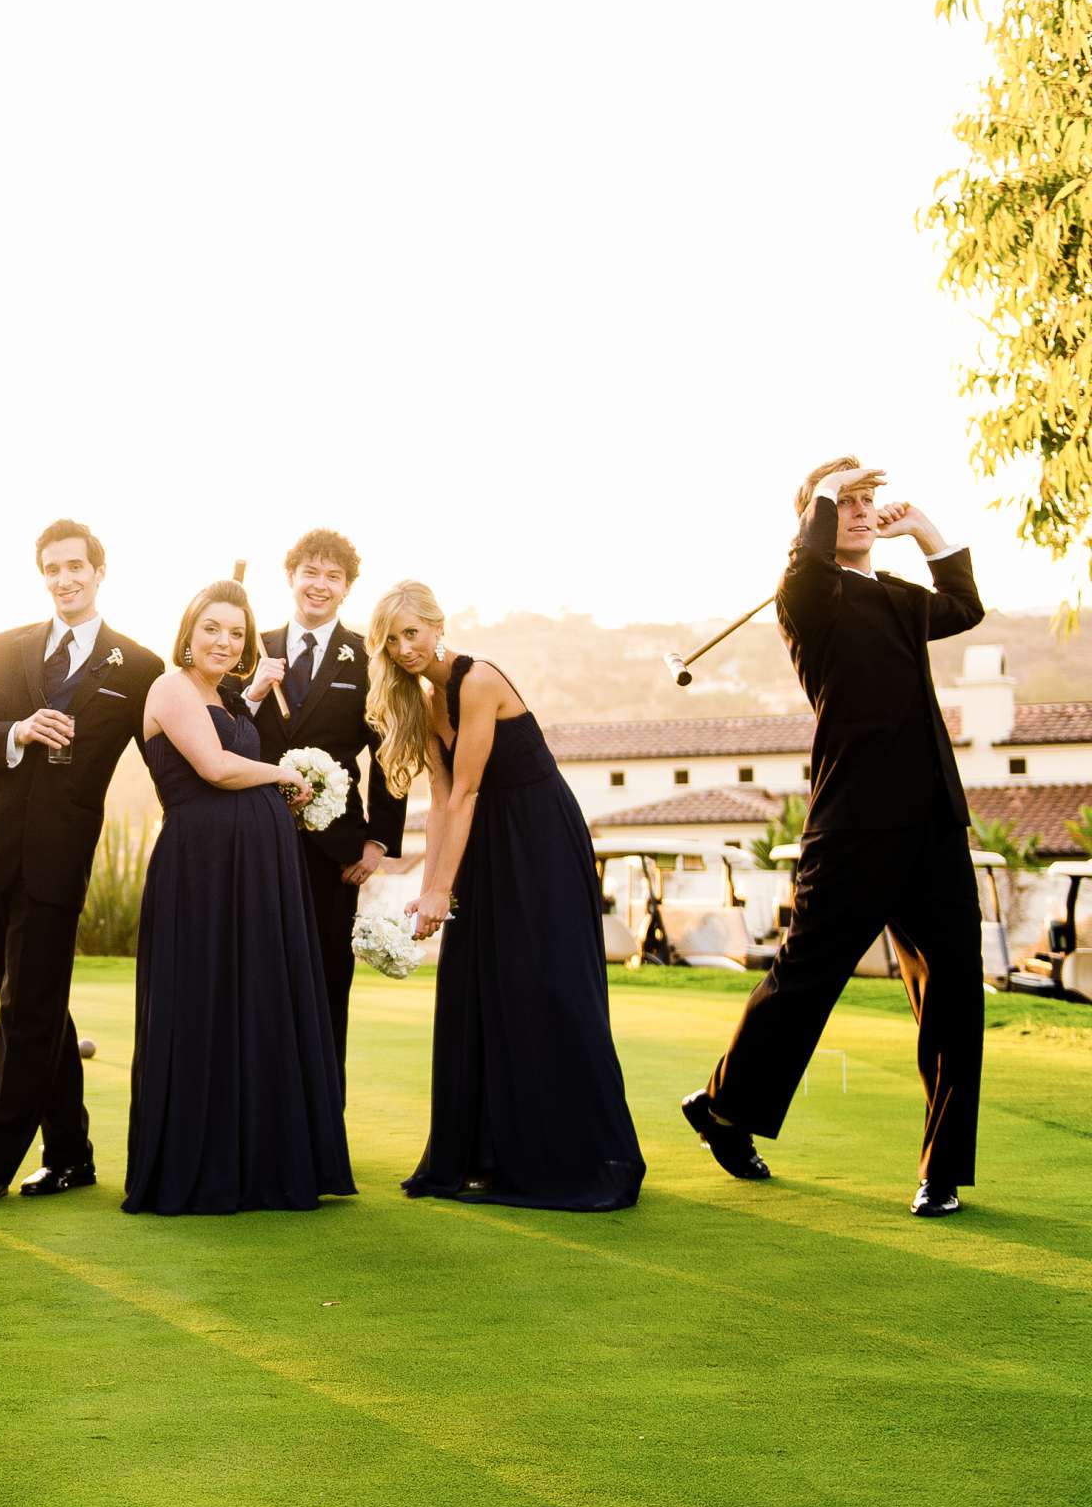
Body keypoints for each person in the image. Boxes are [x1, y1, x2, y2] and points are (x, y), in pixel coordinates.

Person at [683, 459, 985, 1218]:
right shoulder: (804, 594)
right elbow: (809, 560)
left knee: (953, 997)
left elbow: (965, 606)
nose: (858, 512)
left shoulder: (899, 598)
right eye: (843, 504)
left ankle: (940, 1171)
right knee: (806, 979)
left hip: (935, 823)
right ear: (815, 518)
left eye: (866, 502)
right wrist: (822, 493)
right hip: (853, 822)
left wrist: (923, 530)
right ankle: (724, 1108)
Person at [367, 580, 643, 1212]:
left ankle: (589, 1155)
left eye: (413, 632)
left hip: (539, 837)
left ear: (438, 627)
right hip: (486, 843)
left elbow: (466, 791)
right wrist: (429, 888)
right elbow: (439, 804)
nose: (406, 648)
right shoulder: (422, 701)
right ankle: (490, 1154)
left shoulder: (478, 679)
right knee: (479, 984)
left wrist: (441, 889)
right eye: (392, 639)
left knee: (549, 986)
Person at [0, 520, 163, 1208]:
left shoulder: (142, 666)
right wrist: (16, 732)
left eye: (76, 566)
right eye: (52, 568)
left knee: (26, 1008)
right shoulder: (4, 650)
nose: (64, 578)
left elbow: (173, 756)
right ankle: (70, 1154)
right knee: (37, 1006)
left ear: (99, 572)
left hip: (62, 859)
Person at [123, 579, 352, 1215]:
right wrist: (283, 773)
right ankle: (202, 1164)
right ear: (188, 635)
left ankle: (262, 1160)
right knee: (204, 1002)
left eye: (236, 632)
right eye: (212, 630)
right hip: (201, 871)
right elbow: (217, 768)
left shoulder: (224, 696)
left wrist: (249, 701)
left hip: (255, 873)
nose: (225, 641)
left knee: (251, 1002)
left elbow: (231, 730)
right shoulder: (170, 688)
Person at [241, 529, 407, 1089]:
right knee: (258, 977)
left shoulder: (366, 658)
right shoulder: (250, 647)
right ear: (291, 578)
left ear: (346, 589)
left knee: (328, 978)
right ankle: (262, 1110)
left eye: (332, 576)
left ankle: (322, 1115)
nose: (319, 584)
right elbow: (218, 734)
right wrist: (255, 693)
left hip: (334, 848)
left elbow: (389, 753)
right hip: (255, 837)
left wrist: (378, 841)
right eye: (310, 572)